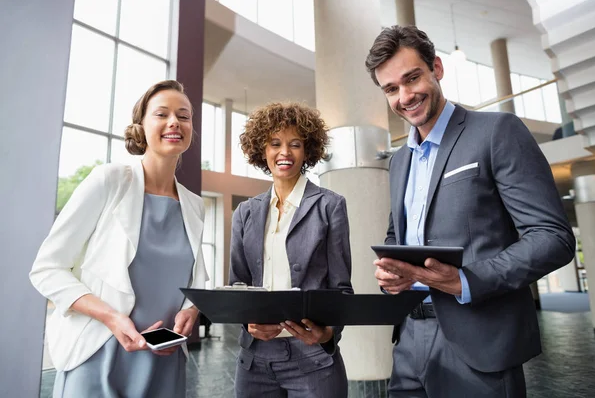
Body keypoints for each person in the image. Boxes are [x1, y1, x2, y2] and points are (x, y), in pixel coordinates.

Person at [365, 26, 575, 397]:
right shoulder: (399, 162)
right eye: (391, 89)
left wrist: (464, 281)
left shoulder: (496, 131)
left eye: (412, 78)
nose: (405, 96)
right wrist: (392, 272)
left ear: (437, 68)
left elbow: (552, 237)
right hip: (409, 340)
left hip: (480, 343)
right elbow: (397, 236)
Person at [29, 80, 208, 398]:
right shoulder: (109, 180)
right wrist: (112, 317)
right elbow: (47, 268)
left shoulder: (194, 204)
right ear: (141, 126)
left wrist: (191, 311)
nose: (174, 123)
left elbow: (196, 282)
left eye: (184, 116)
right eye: (161, 114)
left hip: (163, 361)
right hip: (99, 354)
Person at [229, 102, 353, 397]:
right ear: (262, 150)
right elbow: (237, 286)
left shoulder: (330, 206)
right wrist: (248, 324)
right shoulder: (245, 212)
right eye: (275, 143)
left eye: (295, 144)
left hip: (312, 358)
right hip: (255, 361)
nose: (284, 152)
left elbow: (341, 289)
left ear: (307, 151)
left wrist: (329, 332)